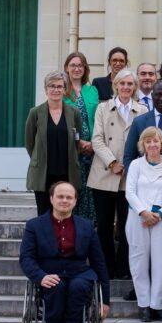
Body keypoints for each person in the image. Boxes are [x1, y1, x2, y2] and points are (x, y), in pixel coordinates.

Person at [19, 182, 111, 323]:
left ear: (75, 201)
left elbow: (99, 262)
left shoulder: (86, 226)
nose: (64, 200)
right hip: (49, 273)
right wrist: (40, 277)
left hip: (79, 273)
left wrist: (104, 300)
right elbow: (26, 258)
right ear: (52, 199)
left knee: (78, 287)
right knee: (56, 285)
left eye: (69, 197)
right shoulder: (34, 226)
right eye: (60, 196)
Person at [89, 68, 147, 279]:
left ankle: (124, 267)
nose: (125, 87)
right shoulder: (104, 108)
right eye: (122, 84)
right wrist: (112, 162)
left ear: (134, 87)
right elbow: (97, 139)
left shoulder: (142, 110)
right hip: (104, 173)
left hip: (129, 176)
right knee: (104, 224)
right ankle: (106, 266)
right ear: (116, 86)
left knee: (126, 225)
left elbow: (144, 141)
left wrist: (130, 166)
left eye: (130, 84)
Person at [125, 126, 162, 323]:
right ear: (143, 145)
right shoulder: (136, 166)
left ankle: (158, 305)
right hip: (138, 218)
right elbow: (130, 192)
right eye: (148, 141)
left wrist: (159, 214)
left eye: (156, 141)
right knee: (139, 262)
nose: (152, 144)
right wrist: (144, 212)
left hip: (160, 221)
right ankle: (144, 305)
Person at [25, 72, 83, 215]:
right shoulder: (35, 113)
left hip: (67, 172)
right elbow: (29, 142)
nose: (56, 90)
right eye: (52, 86)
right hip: (43, 173)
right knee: (44, 214)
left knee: (65, 213)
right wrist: (38, 158)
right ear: (46, 89)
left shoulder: (73, 113)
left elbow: (77, 139)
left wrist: (73, 155)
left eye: (59, 86)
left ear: (65, 90)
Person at [63, 52, 99, 221]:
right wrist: (79, 142)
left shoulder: (92, 90)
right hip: (71, 149)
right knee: (73, 189)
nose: (77, 69)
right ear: (66, 68)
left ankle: (89, 228)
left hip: (93, 149)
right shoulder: (62, 92)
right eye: (73, 65)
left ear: (85, 69)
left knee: (90, 192)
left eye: (80, 65)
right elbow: (62, 122)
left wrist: (93, 143)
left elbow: (98, 118)